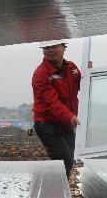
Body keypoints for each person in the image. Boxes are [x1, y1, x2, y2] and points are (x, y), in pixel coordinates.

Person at [31, 40, 81, 177]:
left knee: (70, 159)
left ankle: (57, 190)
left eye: (54, 46)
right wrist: (71, 117)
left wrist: (91, 72)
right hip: (47, 124)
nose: (50, 50)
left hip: (66, 123)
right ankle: (53, 192)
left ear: (64, 47)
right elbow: (51, 103)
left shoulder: (72, 68)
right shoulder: (41, 73)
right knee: (63, 160)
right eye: (46, 47)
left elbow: (83, 83)